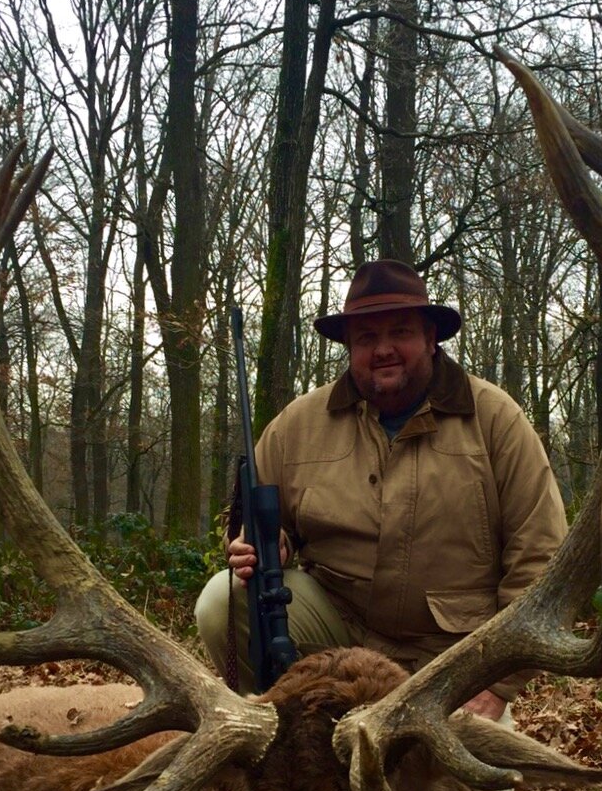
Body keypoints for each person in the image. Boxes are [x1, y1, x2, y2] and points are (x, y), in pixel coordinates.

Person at [195, 258, 567, 728]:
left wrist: (494, 687)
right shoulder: (297, 426)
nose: (383, 349)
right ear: (349, 347)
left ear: (431, 338)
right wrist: (267, 544)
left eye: (400, 332)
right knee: (222, 600)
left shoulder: (497, 422)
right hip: (339, 646)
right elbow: (256, 525)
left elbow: (540, 564)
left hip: (451, 661)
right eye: (366, 337)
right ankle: (280, 730)